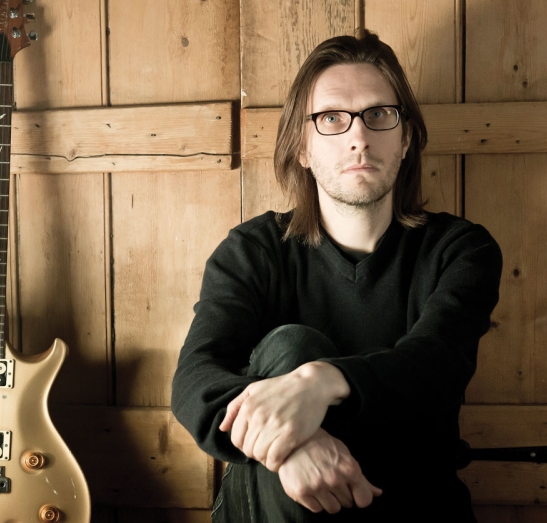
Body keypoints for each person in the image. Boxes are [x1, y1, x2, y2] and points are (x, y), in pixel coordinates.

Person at [171, 29, 502, 522]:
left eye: (379, 114)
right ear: (302, 148)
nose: (358, 138)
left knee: (299, 360)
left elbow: (436, 364)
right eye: (331, 118)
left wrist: (321, 383)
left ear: (406, 139)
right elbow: (195, 380)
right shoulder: (253, 251)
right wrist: (291, 446)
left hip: (410, 500)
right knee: (291, 346)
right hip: (272, 504)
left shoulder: (461, 250)